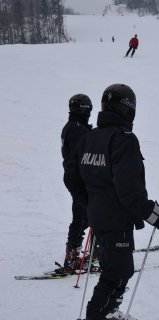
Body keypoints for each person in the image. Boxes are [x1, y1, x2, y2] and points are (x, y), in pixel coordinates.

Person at [65, 83, 159, 320]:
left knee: (117, 269)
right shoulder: (123, 139)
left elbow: (72, 177)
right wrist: (152, 213)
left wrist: (91, 203)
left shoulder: (90, 137)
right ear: (128, 109)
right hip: (115, 216)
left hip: (100, 215)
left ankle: (107, 316)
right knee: (116, 274)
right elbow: (129, 189)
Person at [61, 94, 93, 272]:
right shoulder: (77, 129)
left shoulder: (74, 126)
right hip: (80, 180)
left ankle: (78, 254)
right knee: (85, 216)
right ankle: (74, 258)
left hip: (75, 178)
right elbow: (82, 157)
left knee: (84, 215)